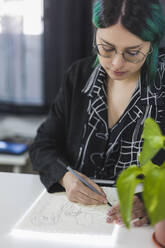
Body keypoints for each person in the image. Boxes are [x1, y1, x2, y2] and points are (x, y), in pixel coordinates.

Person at [30, 0, 165, 227]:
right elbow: (43, 144)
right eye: (106, 47)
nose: (116, 63)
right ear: (95, 35)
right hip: (79, 218)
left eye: (132, 52)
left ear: (151, 44)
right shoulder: (79, 75)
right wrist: (66, 177)